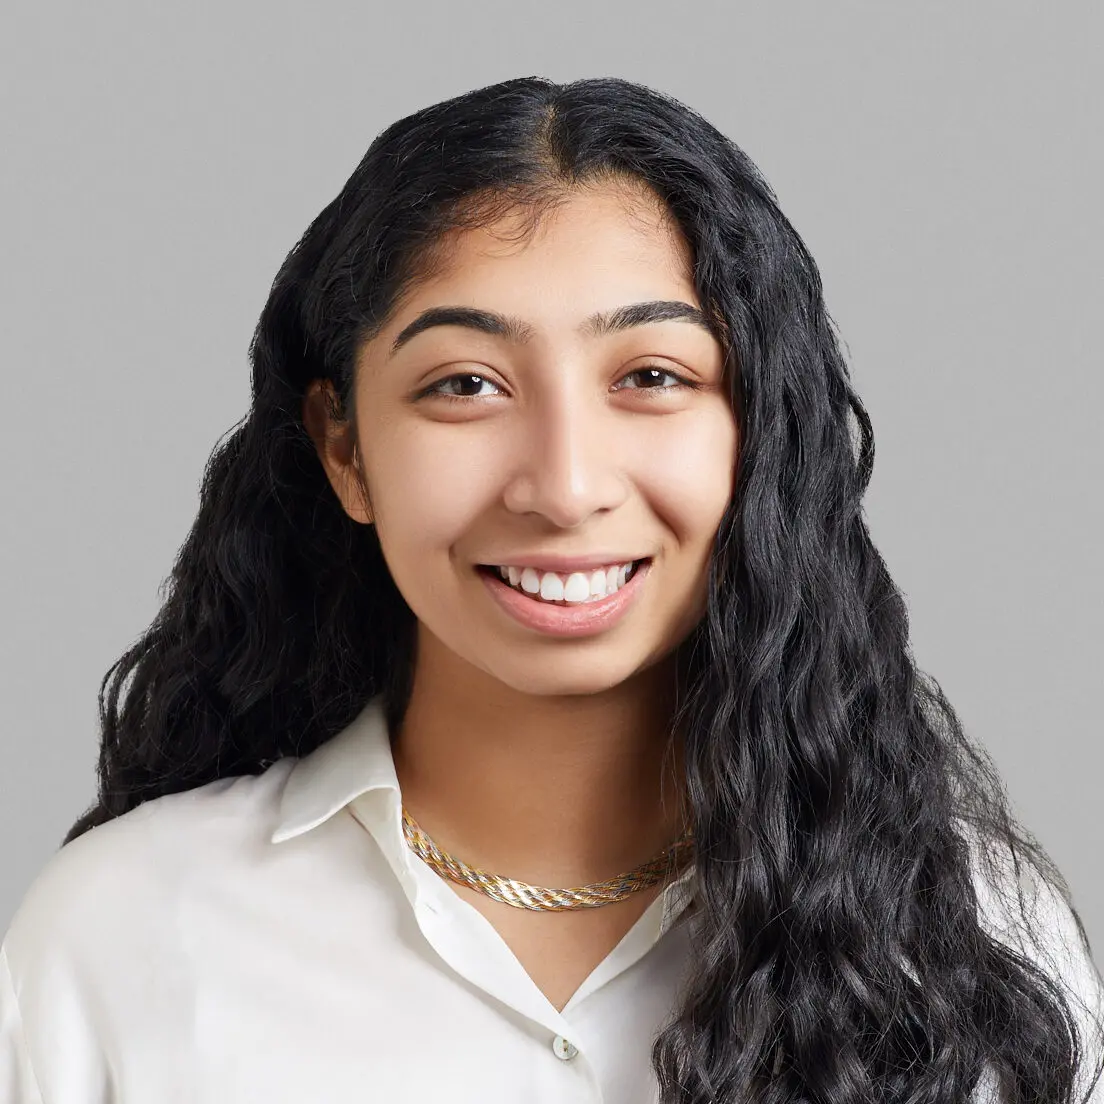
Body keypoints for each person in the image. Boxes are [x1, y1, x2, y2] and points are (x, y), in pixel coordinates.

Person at [1, 75, 1101, 1104]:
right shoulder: (117, 938)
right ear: (343, 448)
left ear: (762, 433)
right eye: (466, 385)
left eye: (653, 378)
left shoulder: (983, 944)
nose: (566, 488)